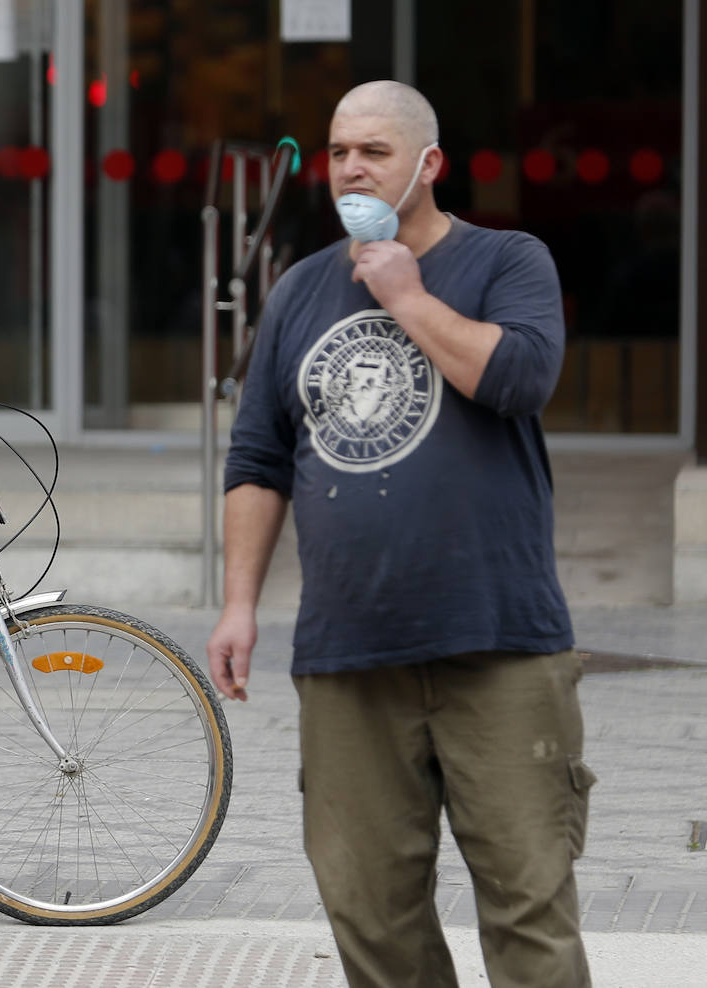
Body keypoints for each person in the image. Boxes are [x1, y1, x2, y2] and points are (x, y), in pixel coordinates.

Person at [206, 80, 596, 987]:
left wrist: (407, 296)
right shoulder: (301, 291)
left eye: (374, 153)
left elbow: (521, 380)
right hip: (349, 652)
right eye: (340, 151)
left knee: (529, 902)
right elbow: (259, 459)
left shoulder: (507, 259)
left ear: (429, 165)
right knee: (369, 912)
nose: (351, 169)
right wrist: (237, 606)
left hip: (498, 643)